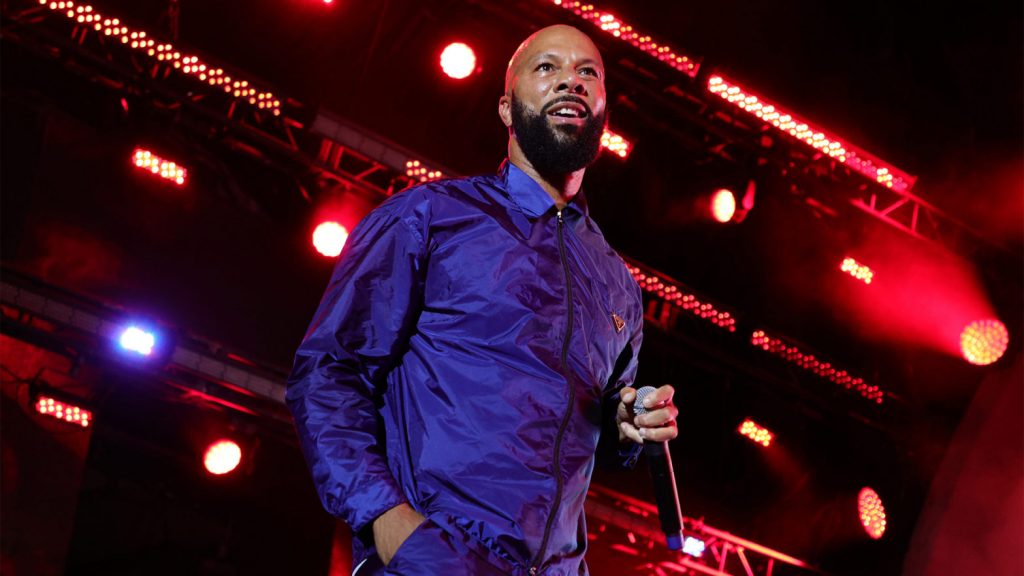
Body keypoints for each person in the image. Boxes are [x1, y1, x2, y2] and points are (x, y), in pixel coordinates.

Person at [286, 24, 678, 575]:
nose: (571, 80)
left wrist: (630, 424)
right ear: (505, 107)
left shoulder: (618, 284)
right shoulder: (429, 217)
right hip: (433, 560)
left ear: (603, 113)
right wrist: (388, 523)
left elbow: (599, 433)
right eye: (547, 67)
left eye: (587, 72)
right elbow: (328, 373)